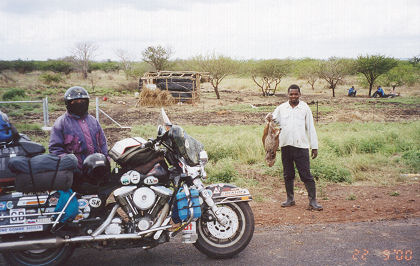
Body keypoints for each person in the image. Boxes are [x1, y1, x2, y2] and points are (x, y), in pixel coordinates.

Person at [268, 84, 323, 211]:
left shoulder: (305, 108)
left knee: (306, 175)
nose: (293, 96)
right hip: (286, 146)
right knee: (288, 174)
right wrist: (269, 119)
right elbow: (274, 122)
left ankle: (313, 201)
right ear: (288, 95)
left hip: (301, 146)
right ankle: (290, 199)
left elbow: (310, 128)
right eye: (291, 94)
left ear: (299, 94)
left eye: (296, 94)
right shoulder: (282, 108)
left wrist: (314, 146)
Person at [49, 86, 109, 190]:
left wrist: (106, 161)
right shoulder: (61, 123)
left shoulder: (93, 121)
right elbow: (55, 150)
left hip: (96, 171)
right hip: (76, 174)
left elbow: (102, 144)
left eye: (82, 100)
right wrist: (72, 166)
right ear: (68, 103)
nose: (79, 103)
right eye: (75, 101)